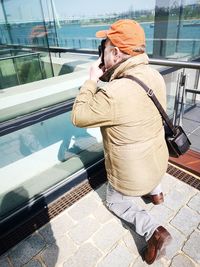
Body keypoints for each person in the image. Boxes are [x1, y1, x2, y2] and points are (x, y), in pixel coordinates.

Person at [71, 19, 172, 265]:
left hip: (133, 177)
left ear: (115, 53)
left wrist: (92, 80)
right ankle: (156, 194)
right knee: (145, 143)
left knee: (114, 200)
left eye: (104, 49)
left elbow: (78, 116)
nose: (101, 55)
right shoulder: (154, 75)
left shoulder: (115, 92)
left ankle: (152, 232)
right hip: (159, 163)